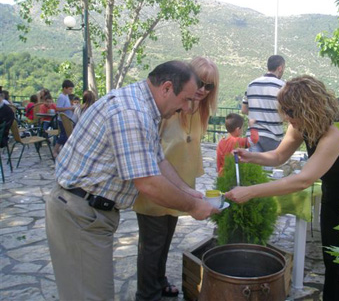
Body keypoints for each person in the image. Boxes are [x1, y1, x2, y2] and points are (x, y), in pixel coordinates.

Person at [46, 60, 218, 300]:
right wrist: (194, 207)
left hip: (90, 212)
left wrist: (190, 193)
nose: (188, 107)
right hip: (80, 213)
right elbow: (147, 183)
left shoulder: (145, 109)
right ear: (167, 88)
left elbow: (159, 162)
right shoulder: (132, 113)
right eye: (187, 99)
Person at [226, 76, 339, 301]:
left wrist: (250, 191)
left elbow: (303, 180)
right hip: (333, 189)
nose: (287, 118)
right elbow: (279, 155)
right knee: (331, 257)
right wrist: (252, 156)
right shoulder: (303, 123)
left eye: (290, 111)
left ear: (309, 108)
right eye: (284, 111)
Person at [132, 57, 219, 301]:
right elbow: (151, 152)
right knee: (151, 245)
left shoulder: (200, 112)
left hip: (180, 188)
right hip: (157, 186)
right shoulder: (167, 108)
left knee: (164, 241)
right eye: (200, 82)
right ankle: (147, 294)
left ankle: (159, 283)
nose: (203, 90)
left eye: (209, 86)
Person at [241, 55, 286, 152]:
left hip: (253, 135)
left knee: (254, 166)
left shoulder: (251, 84)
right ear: (280, 68)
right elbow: (288, 114)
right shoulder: (282, 86)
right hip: (273, 137)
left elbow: (244, 110)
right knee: (271, 166)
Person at [53, 80, 75, 156]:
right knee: (63, 135)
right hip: (63, 120)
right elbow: (58, 108)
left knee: (66, 135)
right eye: (70, 89)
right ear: (65, 88)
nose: (71, 91)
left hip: (67, 119)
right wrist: (69, 108)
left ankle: (62, 150)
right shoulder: (61, 97)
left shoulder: (66, 96)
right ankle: (55, 151)